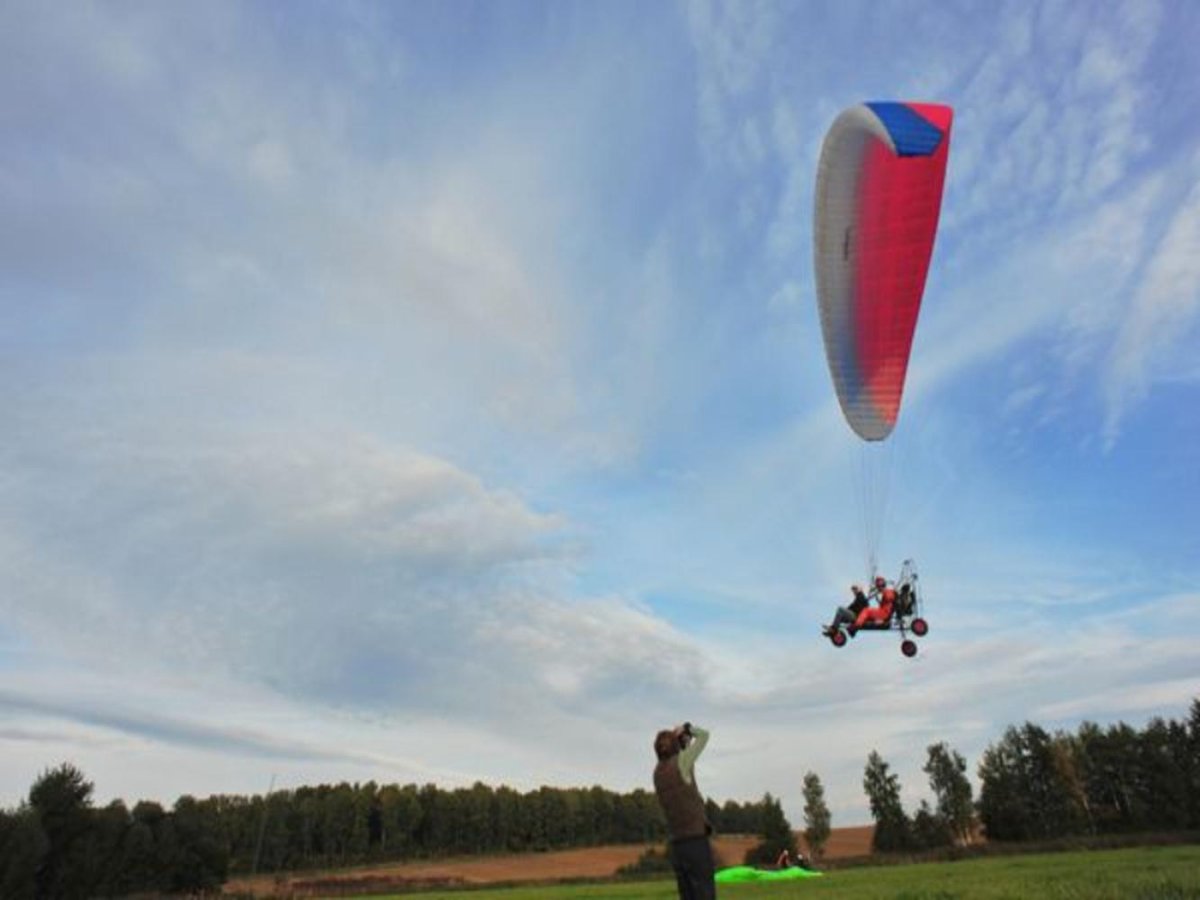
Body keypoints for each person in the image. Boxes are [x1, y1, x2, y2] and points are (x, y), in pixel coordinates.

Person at [653, 722, 715, 900]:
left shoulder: (657, 773)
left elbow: (683, 774)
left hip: (677, 846)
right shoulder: (681, 762)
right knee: (705, 895)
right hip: (696, 841)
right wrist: (687, 728)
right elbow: (704, 736)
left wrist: (680, 743)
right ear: (675, 746)